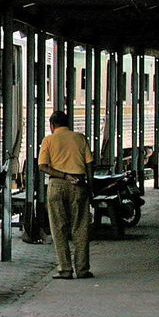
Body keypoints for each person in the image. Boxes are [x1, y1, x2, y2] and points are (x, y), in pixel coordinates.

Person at [38, 110, 94, 279]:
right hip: (78, 184)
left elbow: (42, 166)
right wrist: (89, 186)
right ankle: (82, 269)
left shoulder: (48, 140)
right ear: (68, 123)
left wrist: (62, 175)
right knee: (81, 228)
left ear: (52, 125)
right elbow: (89, 165)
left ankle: (65, 269)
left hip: (56, 185)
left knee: (59, 229)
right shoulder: (80, 138)